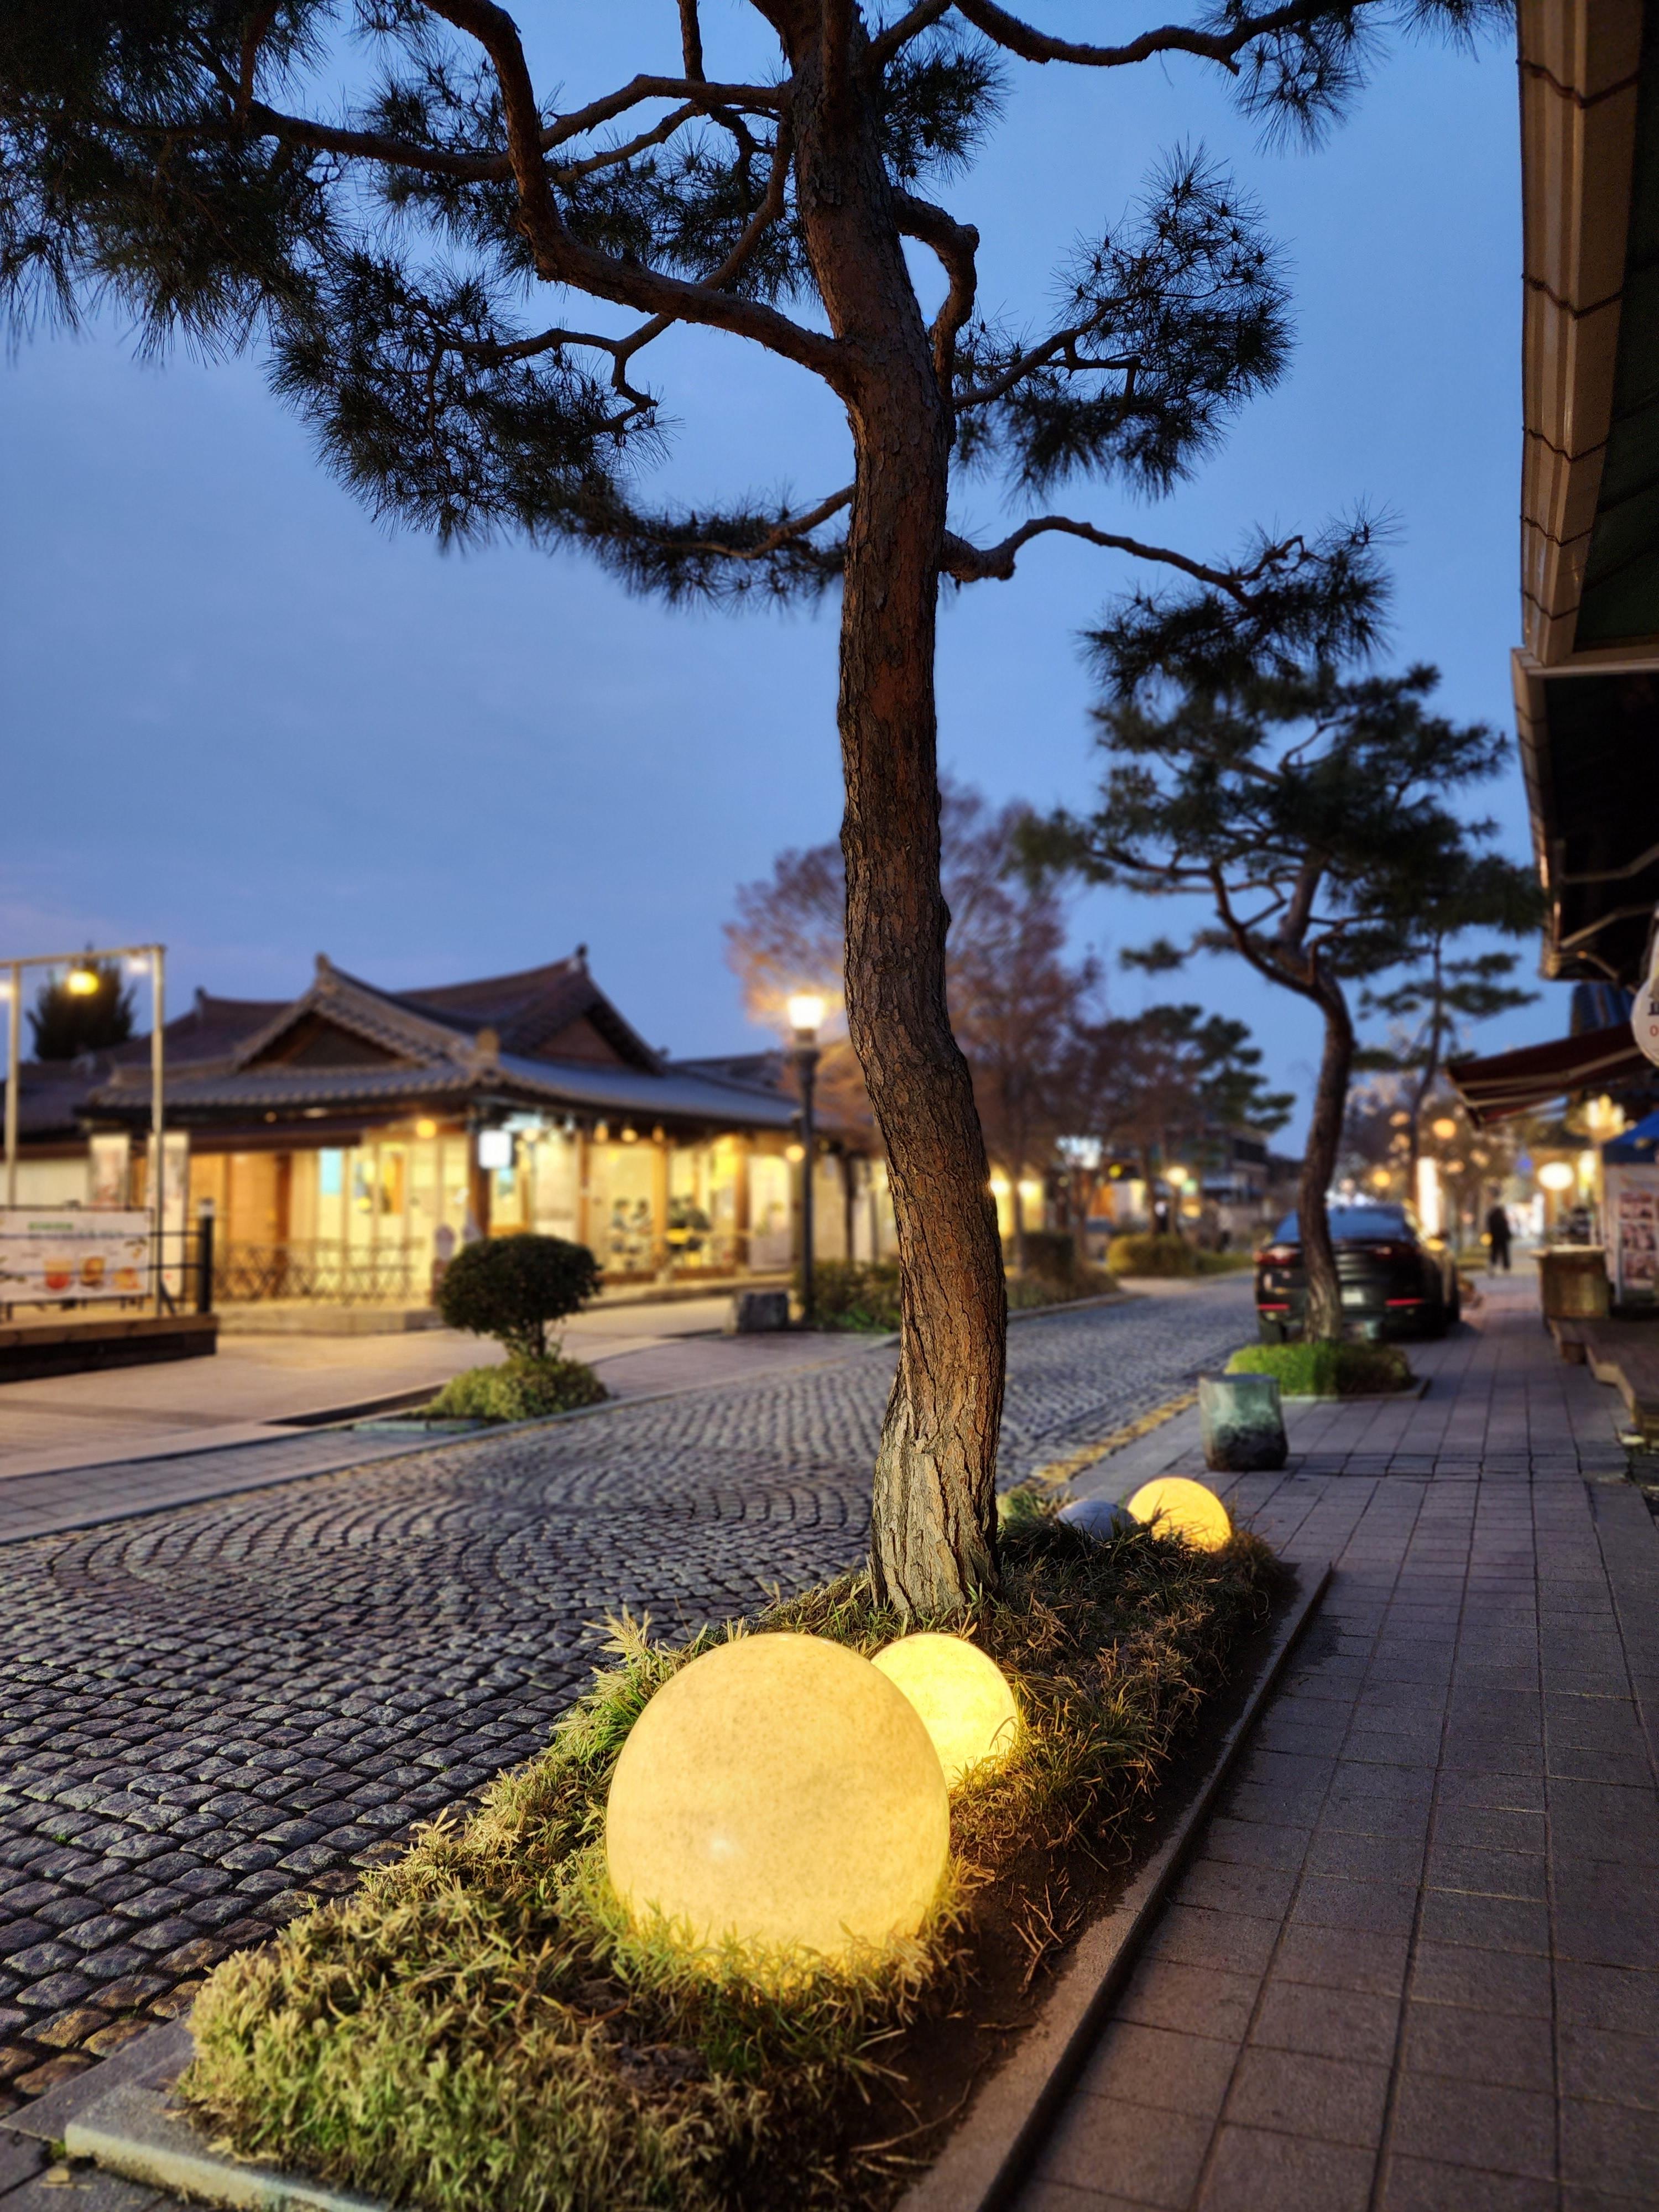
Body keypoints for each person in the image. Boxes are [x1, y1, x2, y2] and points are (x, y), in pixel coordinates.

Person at [1485, 1197, 1512, 1272]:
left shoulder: (1491, 1217)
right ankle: (1506, 1267)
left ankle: (1493, 1265)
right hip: (1503, 1239)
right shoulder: (1503, 1218)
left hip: (1494, 1238)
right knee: (1505, 1253)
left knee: (1494, 1253)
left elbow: (1489, 1228)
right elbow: (1506, 1228)